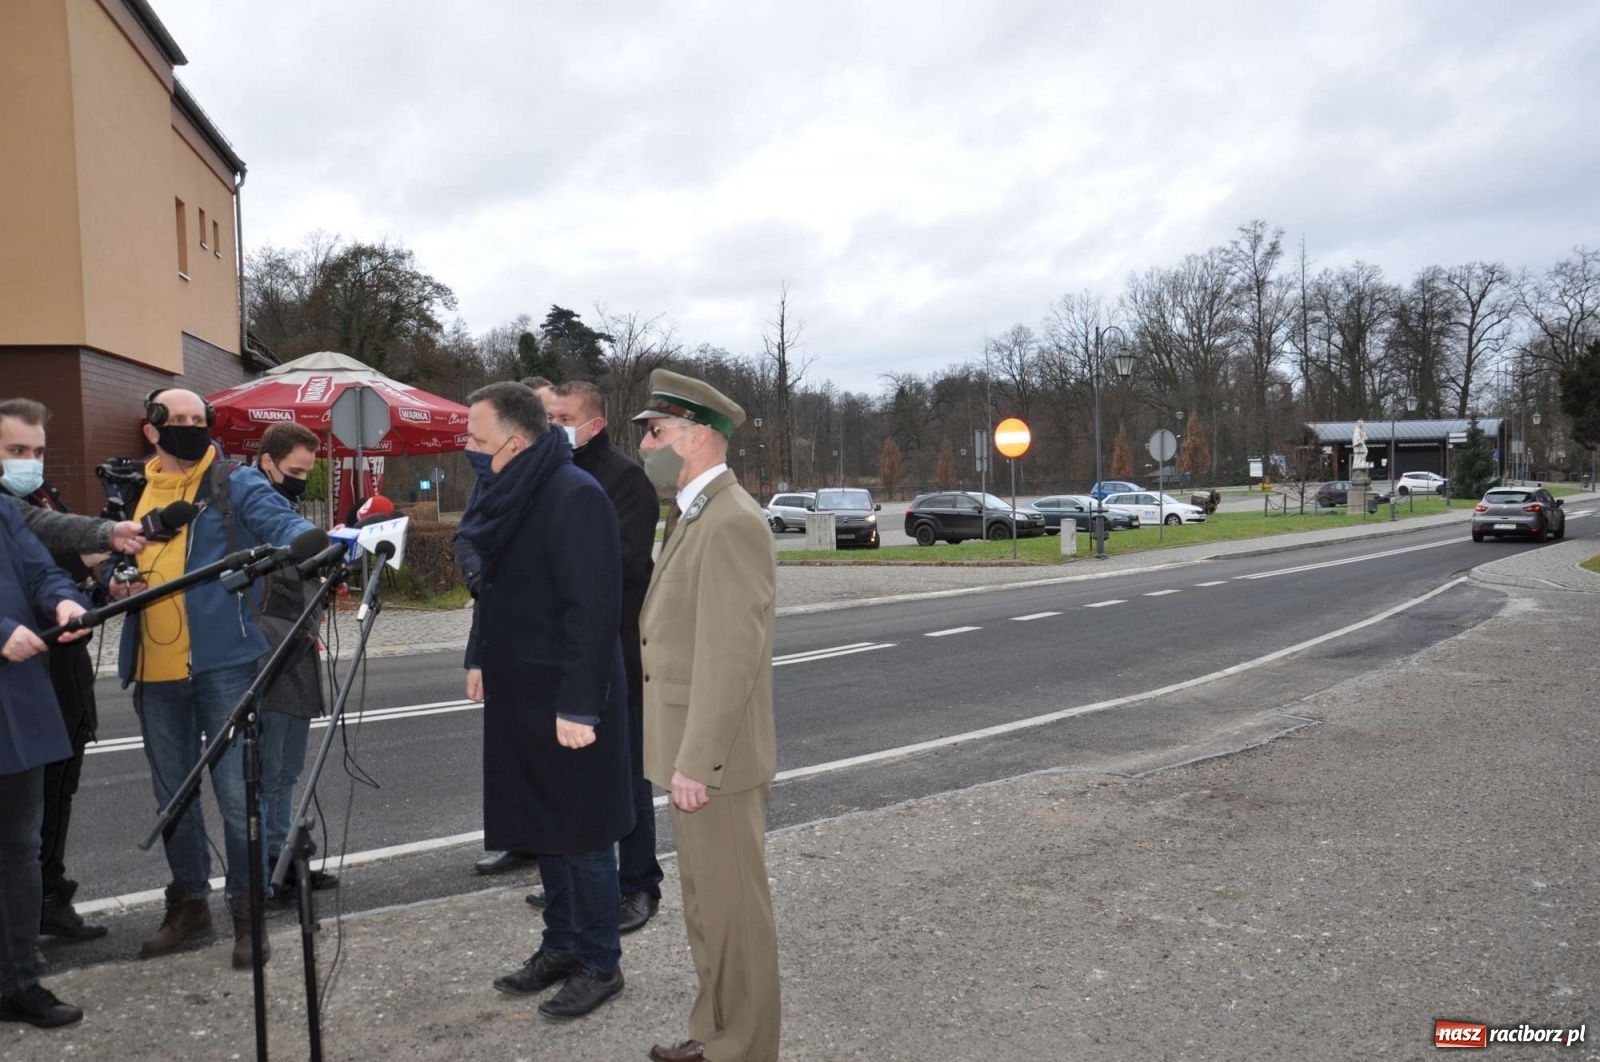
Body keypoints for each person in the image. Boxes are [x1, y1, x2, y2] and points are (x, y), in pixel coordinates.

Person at [107, 388, 315, 970]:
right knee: (172, 798)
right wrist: (113, 582)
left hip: (225, 666)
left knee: (236, 796)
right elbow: (105, 558)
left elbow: (283, 524)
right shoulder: (129, 489)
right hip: (153, 670)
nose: (190, 429)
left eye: (199, 420)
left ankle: (248, 915)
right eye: (176, 421)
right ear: (151, 429)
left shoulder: (234, 483)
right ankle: (189, 904)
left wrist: (311, 545)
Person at [458, 382, 633, 1020]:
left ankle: (599, 962)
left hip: (568, 695)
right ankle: (560, 946)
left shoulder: (573, 494)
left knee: (582, 832)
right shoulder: (507, 491)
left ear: (516, 438)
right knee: (542, 825)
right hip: (518, 686)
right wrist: (478, 654)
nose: (470, 451)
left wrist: (581, 707)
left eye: (478, 440)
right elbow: (495, 587)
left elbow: (595, 610)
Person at [634, 370, 781, 1062]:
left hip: (713, 761)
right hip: (694, 754)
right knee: (706, 907)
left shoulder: (730, 521)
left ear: (696, 437)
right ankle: (716, 1032)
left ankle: (745, 1048)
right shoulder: (695, 512)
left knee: (735, 915)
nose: (645, 444)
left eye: (655, 431)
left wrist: (698, 759)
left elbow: (730, 656)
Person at [522, 378, 663, 933]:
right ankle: (581, 876)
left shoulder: (626, 480)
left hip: (617, 653)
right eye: (548, 417)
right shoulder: (546, 476)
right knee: (570, 777)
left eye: (561, 418)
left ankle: (638, 883)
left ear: (593, 424)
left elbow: (623, 566)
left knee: (626, 775)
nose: (551, 426)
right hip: (557, 653)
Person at [0, 399, 139, 947]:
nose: (28, 463)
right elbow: (51, 531)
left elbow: (49, 572)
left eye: (36, 452)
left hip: (58, 670)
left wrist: (96, 590)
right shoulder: (21, 508)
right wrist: (105, 532)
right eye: (16, 451)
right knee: (18, 827)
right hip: (20, 675)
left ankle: (44, 901)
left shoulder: (31, 497)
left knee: (51, 799)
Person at [0, 494, 90, 1028]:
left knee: (18, 851)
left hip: (16, 706)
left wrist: (63, 601)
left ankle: (17, 980)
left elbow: (39, 570)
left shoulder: (4, 511)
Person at [459, 376, 552, 878]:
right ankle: (517, 837)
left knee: (546, 757)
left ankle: (550, 847)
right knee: (507, 751)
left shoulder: (564, 485)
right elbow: (466, 540)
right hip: (495, 625)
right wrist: (483, 581)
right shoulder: (487, 478)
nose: (470, 449)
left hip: (540, 647)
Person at [251, 421, 335, 902]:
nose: (302, 478)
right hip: (271, 656)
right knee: (272, 770)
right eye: (296, 470)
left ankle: (285, 861)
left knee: (287, 768)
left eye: (308, 470)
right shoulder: (255, 513)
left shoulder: (285, 508)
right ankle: (271, 871)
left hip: (297, 650)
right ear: (267, 463)